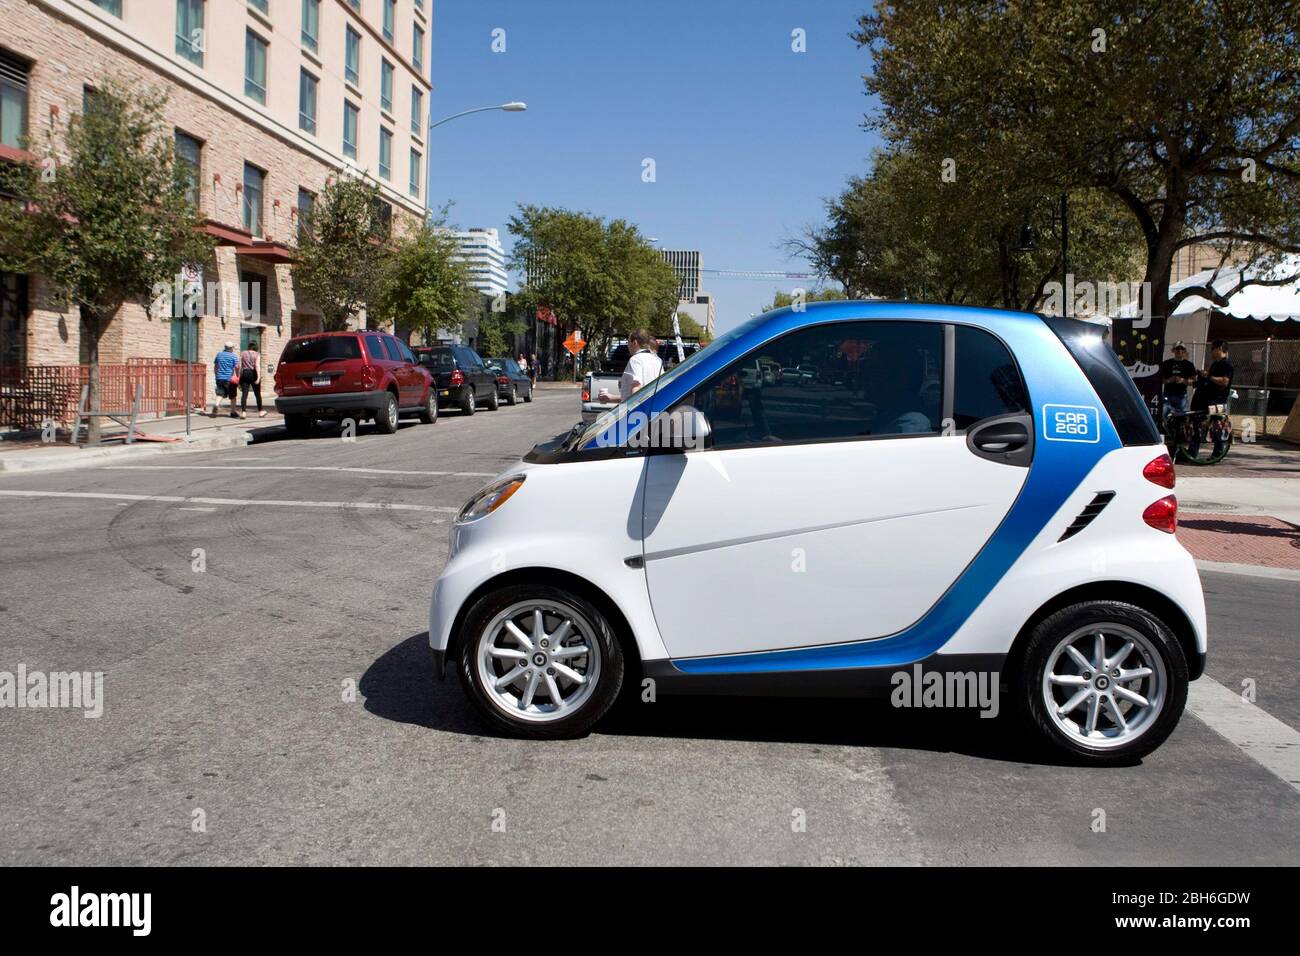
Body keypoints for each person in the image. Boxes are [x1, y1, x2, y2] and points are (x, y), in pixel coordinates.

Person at [1188, 340, 1234, 460]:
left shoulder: (1227, 365)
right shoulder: (1214, 364)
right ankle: (1192, 452)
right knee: (1197, 424)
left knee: (1217, 426)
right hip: (1206, 399)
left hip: (1218, 401)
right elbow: (1210, 379)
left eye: (1213, 349)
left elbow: (1224, 381)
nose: (1211, 352)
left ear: (1219, 349)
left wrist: (1209, 376)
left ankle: (1218, 452)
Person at [601, 329, 664, 402]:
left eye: (628, 342)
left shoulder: (635, 359)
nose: (627, 346)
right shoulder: (658, 360)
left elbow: (636, 389)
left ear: (635, 342)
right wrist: (612, 397)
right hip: (655, 407)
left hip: (638, 411)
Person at [1159, 342, 1197, 419]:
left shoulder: (1189, 365)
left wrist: (1183, 380)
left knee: (1182, 419)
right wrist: (1169, 380)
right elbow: (1159, 380)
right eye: (1177, 349)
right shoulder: (1166, 363)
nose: (1180, 351)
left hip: (1182, 397)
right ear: (1173, 350)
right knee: (1162, 417)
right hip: (1167, 396)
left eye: (1182, 349)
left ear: (1184, 351)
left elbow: (1194, 381)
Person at [237, 342, 266, 419]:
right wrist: (258, 377)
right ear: (256, 347)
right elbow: (257, 366)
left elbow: (239, 366)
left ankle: (243, 413)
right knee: (257, 394)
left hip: (245, 373)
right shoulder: (257, 354)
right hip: (253, 373)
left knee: (244, 394)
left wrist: (239, 377)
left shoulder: (243, 353)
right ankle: (260, 412)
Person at [212, 342, 239, 418]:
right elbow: (237, 367)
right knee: (232, 396)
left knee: (220, 394)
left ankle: (216, 405)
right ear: (231, 348)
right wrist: (237, 376)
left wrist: (216, 375)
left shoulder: (219, 354)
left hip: (219, 377)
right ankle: (233, 412)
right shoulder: (233, 356)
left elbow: (216, 366)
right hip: (229, 379)